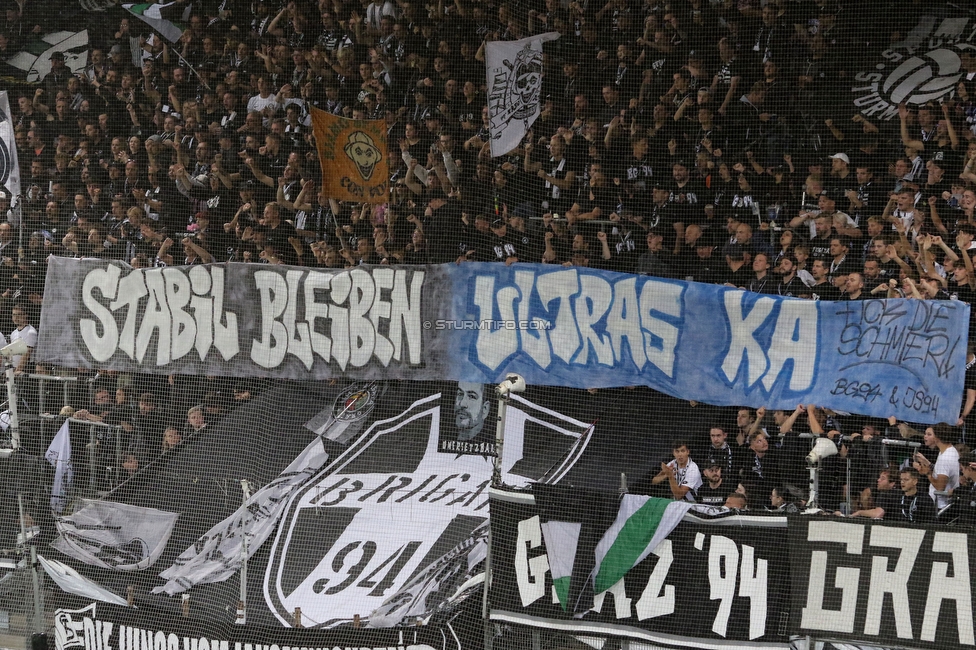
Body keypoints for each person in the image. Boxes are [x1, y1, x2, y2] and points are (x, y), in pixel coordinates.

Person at [913, 423, 960, 512]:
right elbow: (942, 471)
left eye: (931, 434)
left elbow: (940, 487)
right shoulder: (949, 450)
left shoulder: (945, 457)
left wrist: (928, 474)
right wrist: (927, 463)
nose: (926, 437)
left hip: (940, 506)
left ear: (937, 437)